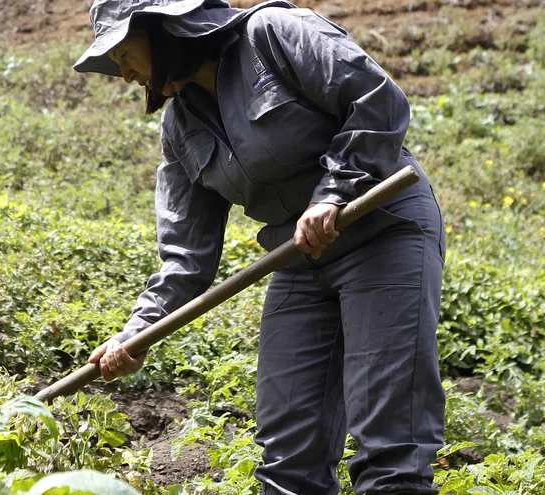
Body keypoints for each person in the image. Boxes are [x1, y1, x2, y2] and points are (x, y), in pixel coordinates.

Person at [76, 0, 448, 494]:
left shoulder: (273, 34)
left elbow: (377, 99)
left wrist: (334, 192)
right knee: (288, 453)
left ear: (163, 29)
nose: (125, 75)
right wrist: (136, 334)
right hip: (298, 259)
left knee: (390, 443)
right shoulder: (181, 128)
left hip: (380, 230)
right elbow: (186, 256)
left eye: (124, 54)